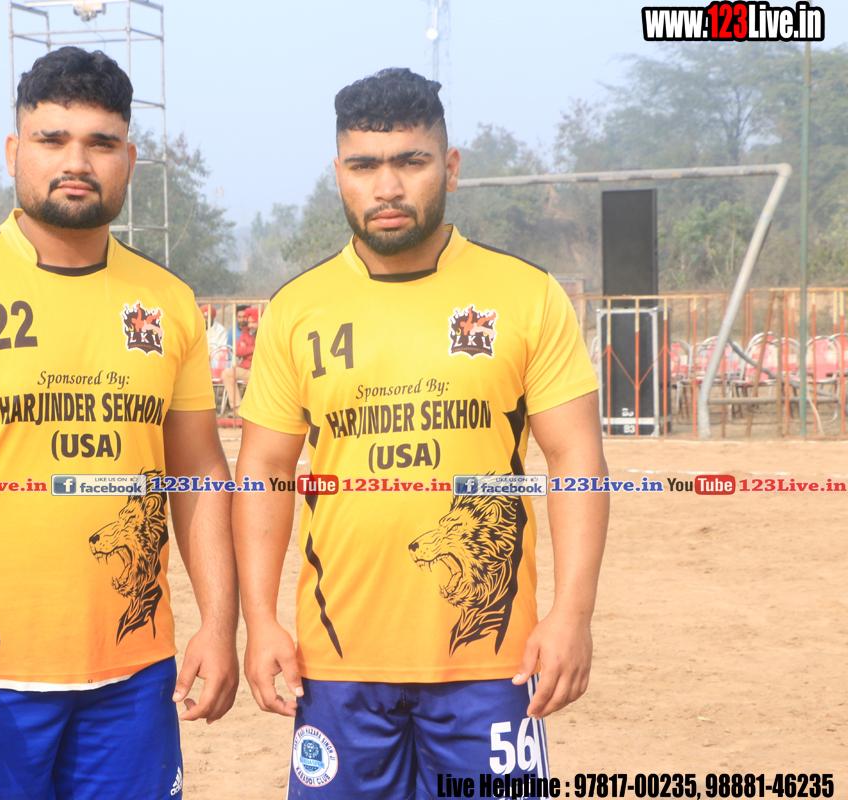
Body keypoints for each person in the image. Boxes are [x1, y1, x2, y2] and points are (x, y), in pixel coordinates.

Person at [0, 46, 237, 800]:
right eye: (52, 140)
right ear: (15, 152)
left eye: (101, 143)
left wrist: (219, 622)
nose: (77, 162)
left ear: (128, 160)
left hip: (135, 675)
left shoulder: (168, 302)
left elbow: (200, 470)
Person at [233, 68, 608, 798]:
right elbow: (265, 470)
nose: (387, 187)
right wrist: (260, 620)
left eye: (411, 161)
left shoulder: (525, 296)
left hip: (493, 664)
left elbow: (575, 457)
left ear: (451, 167)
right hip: (336, 664)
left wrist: (573, 614)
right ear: (338, 174)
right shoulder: (296, 310)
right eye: (364, 165)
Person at [220, 306, 257, 414]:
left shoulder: (264, 333)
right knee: (227, 374)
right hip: (245, 368)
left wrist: (246, 348)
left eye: (253, 322)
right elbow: (237, 351)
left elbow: (262, 351)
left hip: (258, 370)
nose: (250, 325)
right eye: (249, 322)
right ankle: (237, 408)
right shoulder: (245, 332)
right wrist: (253, 348)